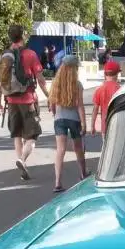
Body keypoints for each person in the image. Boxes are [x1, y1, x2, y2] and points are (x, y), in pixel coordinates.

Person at [0, 24, 50, 181]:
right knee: (32, 135)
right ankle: (22, 159)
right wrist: (49, 95)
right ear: (23, 36)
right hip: (28, 100)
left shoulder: (4, 56)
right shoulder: (30, 54)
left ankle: (22, 165)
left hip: (10, 100)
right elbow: (40, 79)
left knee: (17, 134)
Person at [49, 55, 89, 193]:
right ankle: (83, 173)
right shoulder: (77, 84)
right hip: (74, 120)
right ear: (74, 68)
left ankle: (57, 182)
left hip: (59, 119)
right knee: (78, 148)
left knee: (60, 150)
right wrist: (84, 123)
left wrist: (56, 115)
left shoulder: (55, 82)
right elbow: (80, 106)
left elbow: (52, 104)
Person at [91, 59, 121, 139]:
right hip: (119, 125)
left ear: (105, 74)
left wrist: (92, 125)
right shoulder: (120, 90)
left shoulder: (99, 90)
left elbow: (95, 110)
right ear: (117, 74)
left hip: (105, 126)